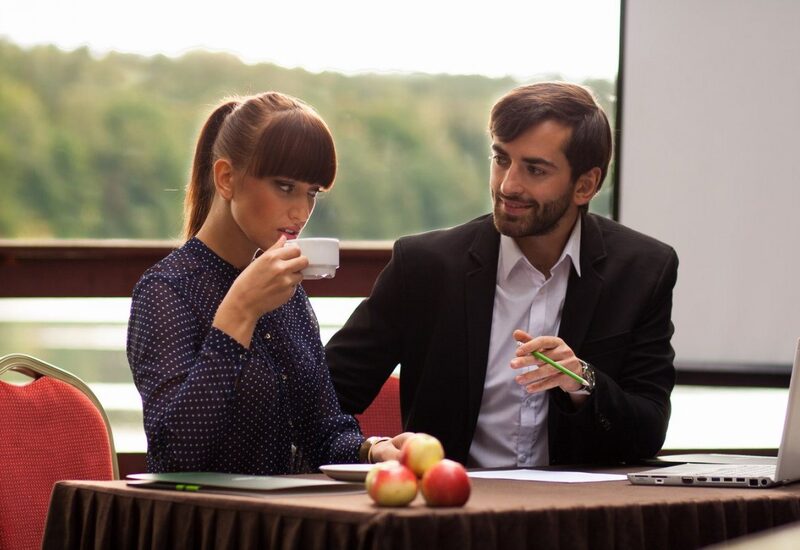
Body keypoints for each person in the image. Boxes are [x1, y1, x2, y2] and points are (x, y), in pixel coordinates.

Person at [326, 82, 678, 467]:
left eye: (535, 169)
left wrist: (582, 381)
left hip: (579, 502)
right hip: (449, 499)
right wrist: (370, 447)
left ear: (585, 185)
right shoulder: (424, 267)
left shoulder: (643, 270)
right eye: (501, 159)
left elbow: (648, 431)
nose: (508, 185)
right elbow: (323, 398)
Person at [127, 92, 408, 475]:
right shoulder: (167, 289)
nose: (302, 211)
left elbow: (324, 435)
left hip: (288, 510)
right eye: (285, 186)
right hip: (206, 511)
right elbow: (175, 457)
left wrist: (374, 450)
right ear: (226, 178)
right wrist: (239, 312)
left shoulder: (287, 292)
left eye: (312, 192)